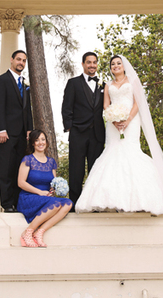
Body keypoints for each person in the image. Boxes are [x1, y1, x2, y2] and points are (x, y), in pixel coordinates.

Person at [76, 55, 163, 214]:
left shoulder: (132, 82)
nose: (116, 66)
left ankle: (139, 200)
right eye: (113, 64)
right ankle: (112, 200)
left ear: (124, 66)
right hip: (113, 125)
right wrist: (113, 120)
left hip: (131, 123)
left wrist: (128, 120)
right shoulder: (108, 84)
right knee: (112, 153)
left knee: (131, 152)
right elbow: (106, 105)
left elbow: (138, 102)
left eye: (119, 63)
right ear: (110, 68)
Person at [61, 51, 105, 209]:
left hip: (97, 134)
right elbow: (66, 107)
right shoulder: (73, 83)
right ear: (83, 64)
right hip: (78, 133)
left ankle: (93, 203)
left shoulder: (103, 85)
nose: (92, 65)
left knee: (95, 170)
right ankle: (74, 204)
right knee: (76, 169)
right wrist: (70, 127)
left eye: (94, 62)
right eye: (89, 62)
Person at [0, 50, 33, 212]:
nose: (21, 63)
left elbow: (27, 110)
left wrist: (29, 129)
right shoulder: (1, 80)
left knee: (19, 169)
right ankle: (7, 204)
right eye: (18, 59)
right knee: (6, 169)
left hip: (22, 135)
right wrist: (1, 129)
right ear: (11, 60)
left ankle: (17, 203)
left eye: (23, 60)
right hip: (6, 134)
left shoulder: (25, 84)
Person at [16, 130, 73, 247]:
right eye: (37, 140)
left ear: (46, 142)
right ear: (32, 143)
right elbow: (21, 183)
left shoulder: (51, 162)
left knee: (68, 203)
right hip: (29, 197)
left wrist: (52, 191)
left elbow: (53, 183)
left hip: (45, 197)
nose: (40, 142)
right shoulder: (28, 160)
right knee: (56, 204)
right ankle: (27, 232)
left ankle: (39, 232)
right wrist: (39, 192)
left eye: (43, 139)